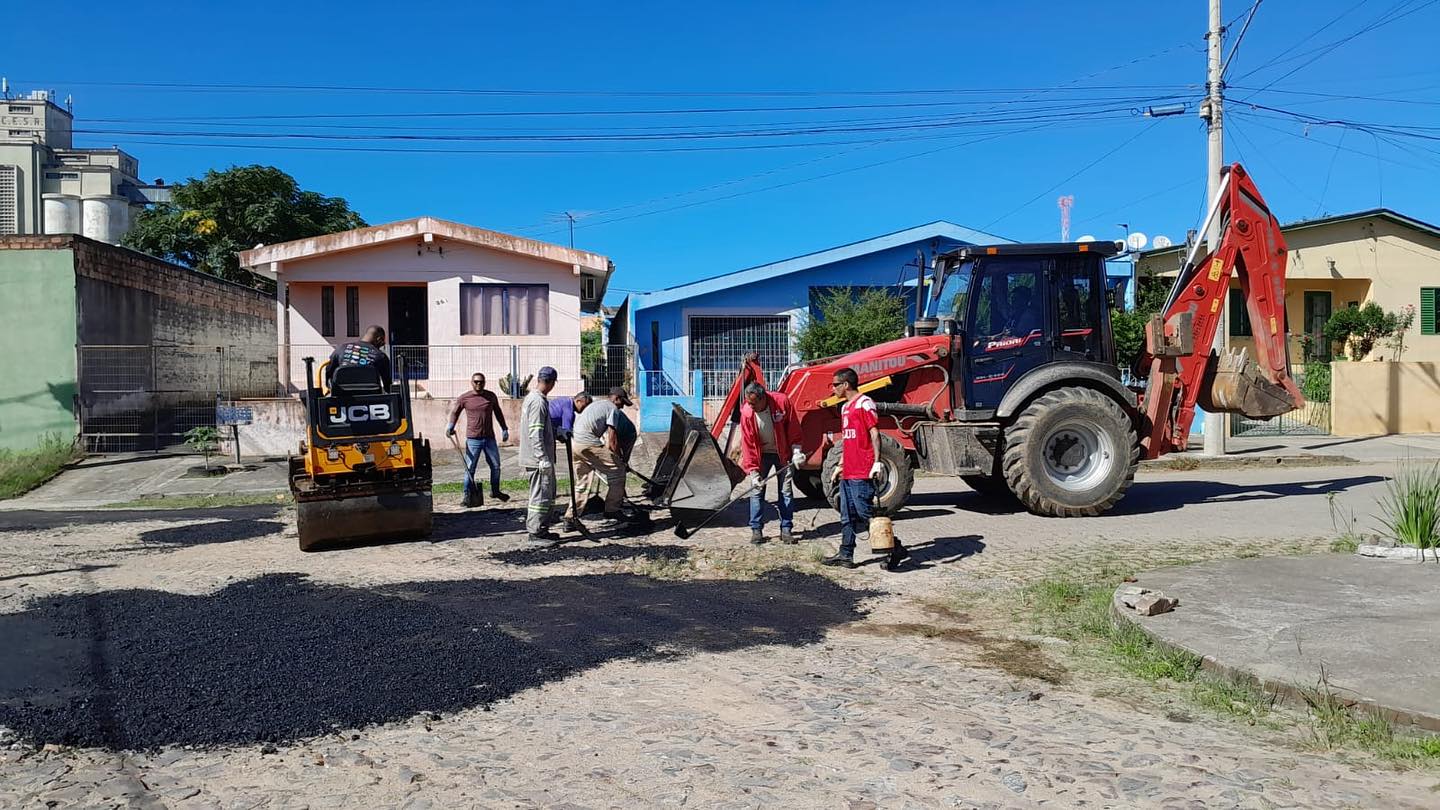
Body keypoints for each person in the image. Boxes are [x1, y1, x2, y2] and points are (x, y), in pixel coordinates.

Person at [824, 367, 908, 570]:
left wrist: (877, 461)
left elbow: (874, 434)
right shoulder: (845, 408)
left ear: (846, 385)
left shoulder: (864, 404)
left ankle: (893, 546)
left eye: (835, 385)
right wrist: (841, 465)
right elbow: (847, 440)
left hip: (863, 470)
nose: (833, 389)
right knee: (846, 514)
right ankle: (846, 554)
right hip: (848, 471)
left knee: (864, 512)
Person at [739, 381, 803, 545]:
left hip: (784, 454)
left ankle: (786, 529)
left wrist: (796, 451)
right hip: (761, 456)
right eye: (748, 402)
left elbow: (793, 426)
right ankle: (756, 530)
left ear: (763, 398)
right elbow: (748, 445)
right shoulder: (747, 413)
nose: (750, 406)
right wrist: (753, 472)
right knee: (757, 491)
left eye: (753, 403)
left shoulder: (781, 402)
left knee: (786, 491)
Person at [564, 386, 638, 526]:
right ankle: (612, 509)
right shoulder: (612, 409)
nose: (622, 407)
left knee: (583, 481)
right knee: (618, 471)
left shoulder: (597, 404)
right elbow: (612, 440)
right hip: (588, 443)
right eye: (622, 402)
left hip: (575, 444)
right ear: (616, 398)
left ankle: (570, 518)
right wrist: (620, 460)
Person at [446, 372, 510, 507]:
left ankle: (495, 491)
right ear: (471, 382)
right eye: (476, 381)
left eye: (481, 382)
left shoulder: (490, 396)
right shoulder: (465, 398)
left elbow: (498, 412)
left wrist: (504, 428)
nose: (478, 384)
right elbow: (455, 412)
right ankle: (467, 495)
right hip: (473, 439)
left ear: (484, 382)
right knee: (470, 468)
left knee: (496, 466)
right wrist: (451, 426)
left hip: (489, 439)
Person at [520, 366, 560, 548]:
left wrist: (558, 432)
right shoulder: (538, 401)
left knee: (546, 494)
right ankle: (535, 533)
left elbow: (541, 427)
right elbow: (535, 432)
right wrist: (542, 457)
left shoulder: (533, 398)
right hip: (537, 460)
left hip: (537, 457)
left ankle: (542, 529)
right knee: (540, 496)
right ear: (551, 383)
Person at [325, 325, 392, 390]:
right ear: (379, 339)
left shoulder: (341, 348)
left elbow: (329, 371)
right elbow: (388, 385)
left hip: (342, 396)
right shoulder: (381, 356)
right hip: (370, 396)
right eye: (382, 343)